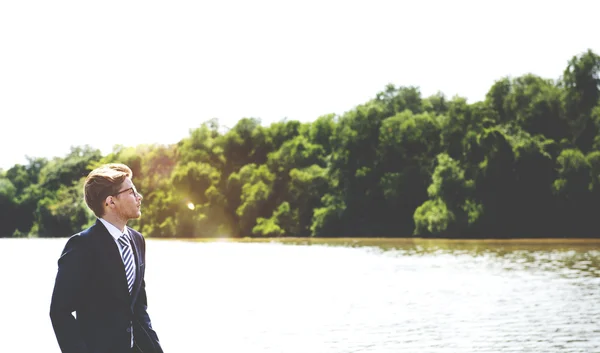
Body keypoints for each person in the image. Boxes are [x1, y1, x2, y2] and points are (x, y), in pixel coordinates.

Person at [50, 163, 164, 353]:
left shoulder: (137, 240)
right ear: (111, 202)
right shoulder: (81, 246)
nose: (139, 197)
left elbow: (138, 306)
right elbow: (60, 312)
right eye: (131, 192)